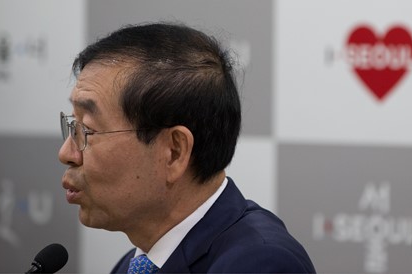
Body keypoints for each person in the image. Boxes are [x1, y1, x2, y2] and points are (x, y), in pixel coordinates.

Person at [58, 22, 315, 273]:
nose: (66, 154)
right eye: (72, 126)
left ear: (174, 152)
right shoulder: (135, 264)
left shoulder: (260, 264)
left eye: (87, 130)